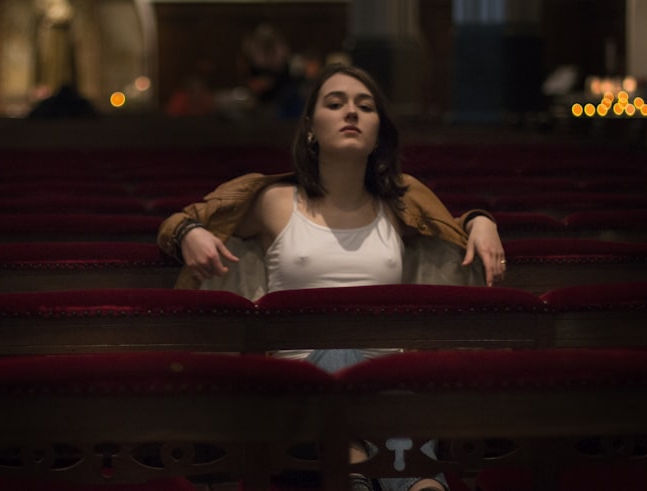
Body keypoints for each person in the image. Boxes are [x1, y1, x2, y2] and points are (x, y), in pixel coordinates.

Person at [157, 63, 506, 491]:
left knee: (374, 376)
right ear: (309, 127)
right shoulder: (273, 201)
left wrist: (480, 220)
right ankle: (419, 483)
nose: (351, 113)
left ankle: (358, 475)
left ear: (379, 132)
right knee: (337, 343)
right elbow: (184, 219)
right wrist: (187, 232)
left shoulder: (401, 203)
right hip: (295, 389)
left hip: (390, 385)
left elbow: (449, 232)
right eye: (335, 103)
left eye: (365, 106)